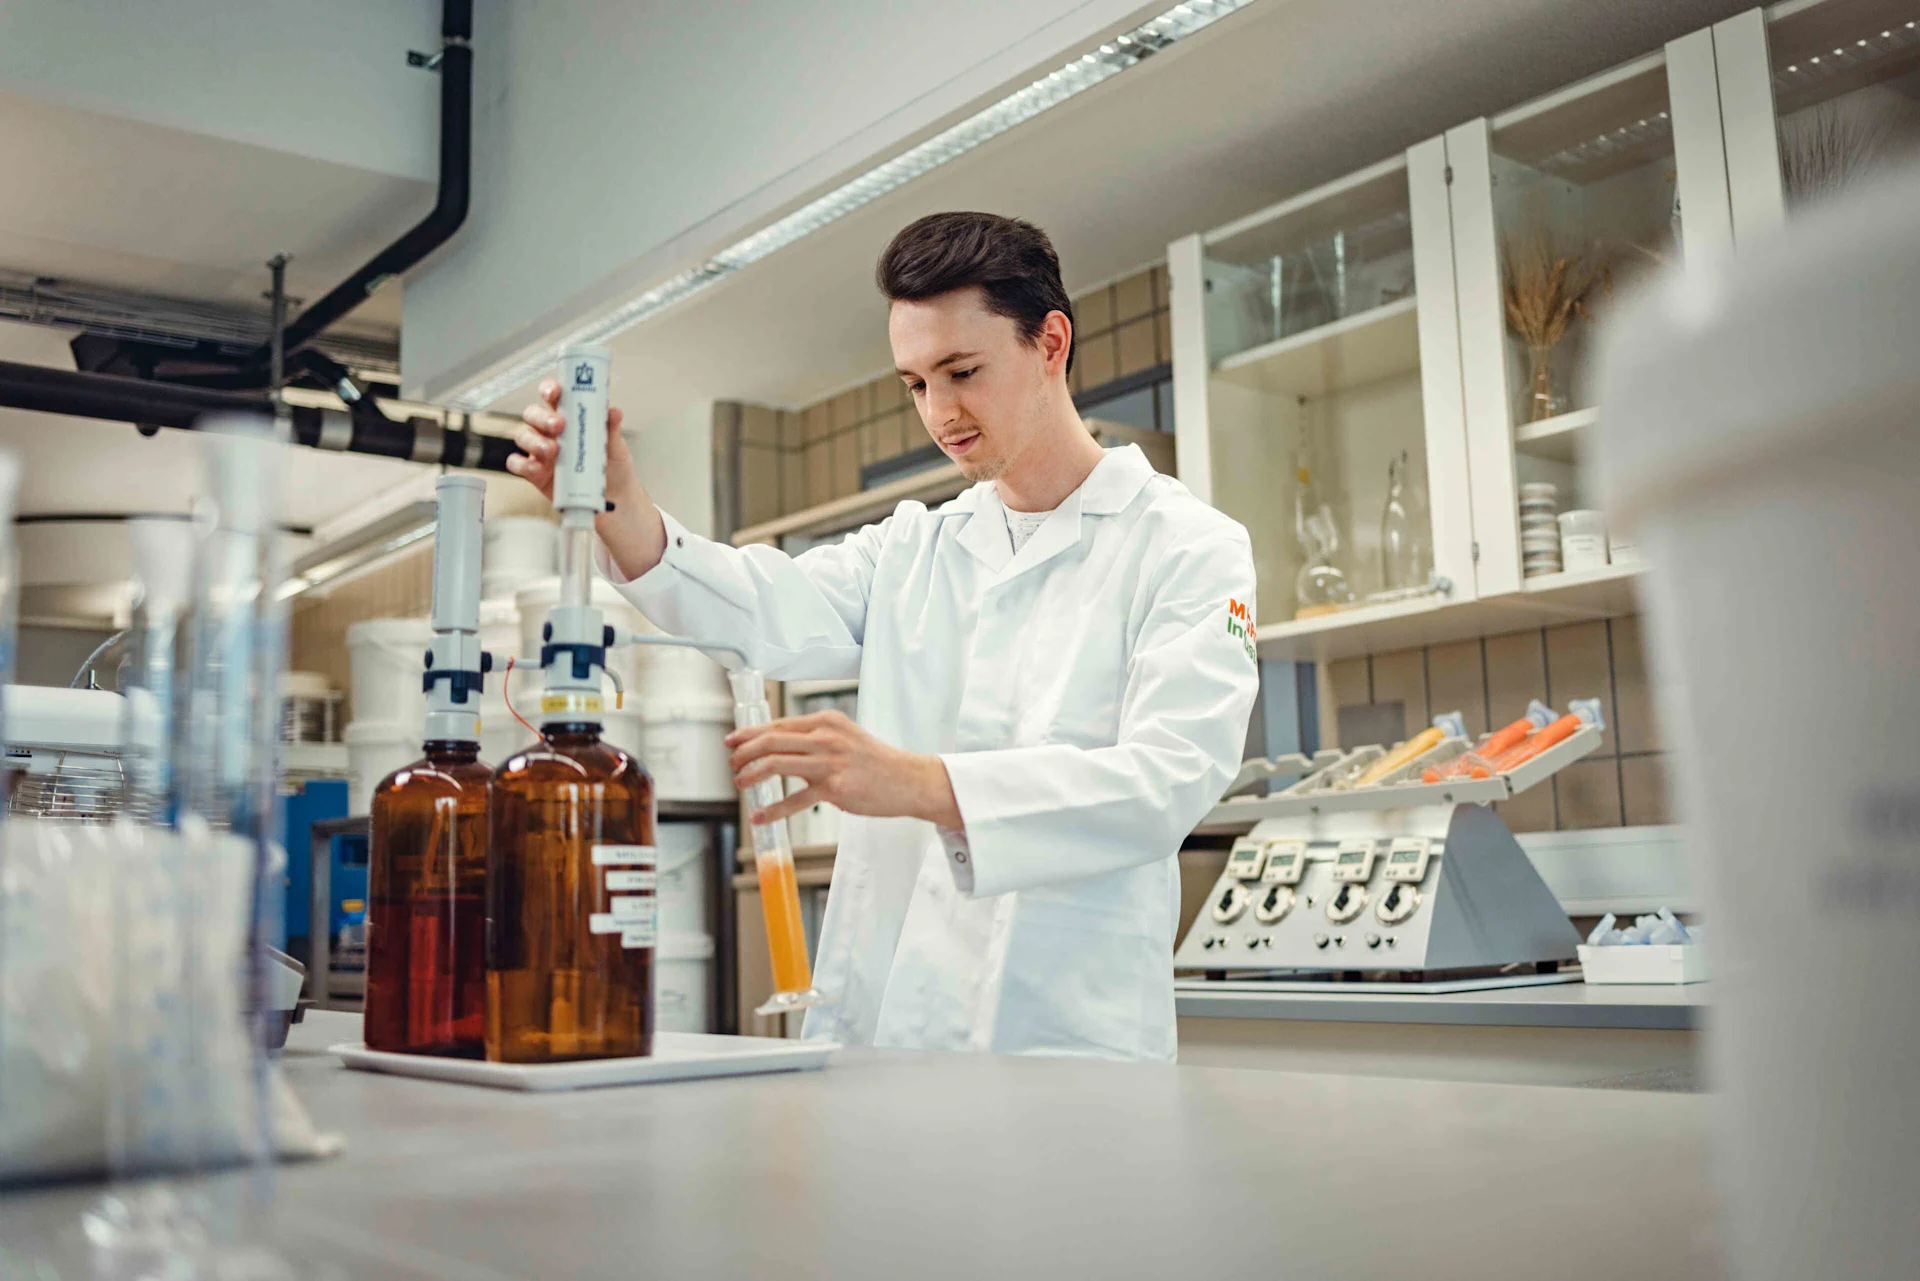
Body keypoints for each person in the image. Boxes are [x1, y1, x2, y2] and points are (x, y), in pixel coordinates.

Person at [510, 211, 1258, 1061]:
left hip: (1067, 1044)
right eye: (914, 384)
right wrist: (618, 503)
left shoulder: (1186, 546)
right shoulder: (914, 547)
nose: (939, 412)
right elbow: (756, 605)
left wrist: (917, 782)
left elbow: (1167, 780)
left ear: (1051, 341)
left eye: (962, 370)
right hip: (892, 1030)